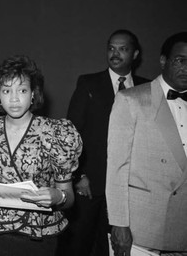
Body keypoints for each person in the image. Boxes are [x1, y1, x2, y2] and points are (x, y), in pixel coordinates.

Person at [0, 55, 82, 256]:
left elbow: (69, 196)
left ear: (33, 95)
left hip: (39, 234)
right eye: (6, 90)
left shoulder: (55, 132)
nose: (13, 98)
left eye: (22, 90)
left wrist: (59, 197)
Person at [62, 29, 149, 256]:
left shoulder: (147, 88)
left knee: (116, 248)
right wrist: (79, 175)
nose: (115, 53)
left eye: (123, 49)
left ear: (136, 54)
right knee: (79, 245)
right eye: (111, 48)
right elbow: (71, 134)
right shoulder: (88, 84)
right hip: (90, 185)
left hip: (131, 188)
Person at [106, 32, 187, 255]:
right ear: (163, 61)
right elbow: (116, 169)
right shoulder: (130, 100)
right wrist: (119, 224)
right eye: (181, 60)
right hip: (141, 230)